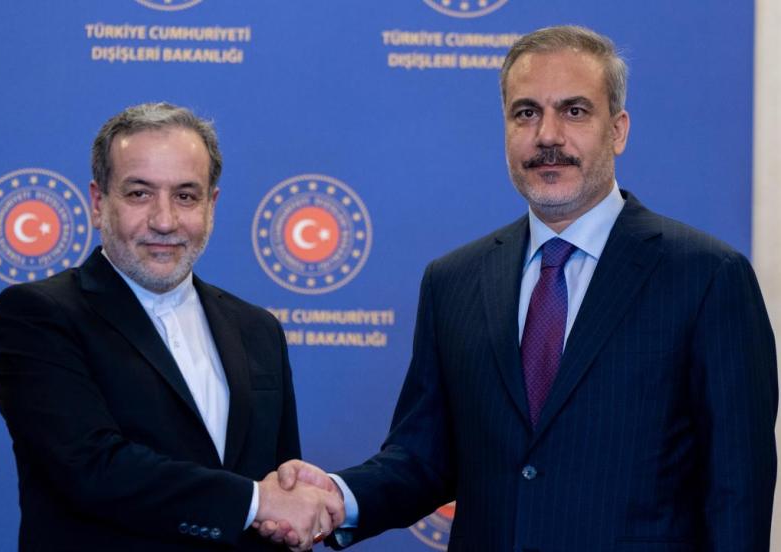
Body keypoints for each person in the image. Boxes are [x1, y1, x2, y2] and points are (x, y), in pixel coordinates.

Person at [262, 26, 778, 551]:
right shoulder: (453, 281)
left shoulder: (706, 277)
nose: (548, 136)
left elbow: (737, 489)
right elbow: (422, 458)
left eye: (574, 111)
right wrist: (338, 496)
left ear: (618, 130)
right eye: (526, 113)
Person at [0, 102, 342, 552]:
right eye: (139, 194)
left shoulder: (259, 329)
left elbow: (281, 494)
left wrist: (292, 502)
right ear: (98, 203)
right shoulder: (39, 314)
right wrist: (257, 502)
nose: (164, 220)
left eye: (185, 196)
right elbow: (90, 467)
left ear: (211, 206)